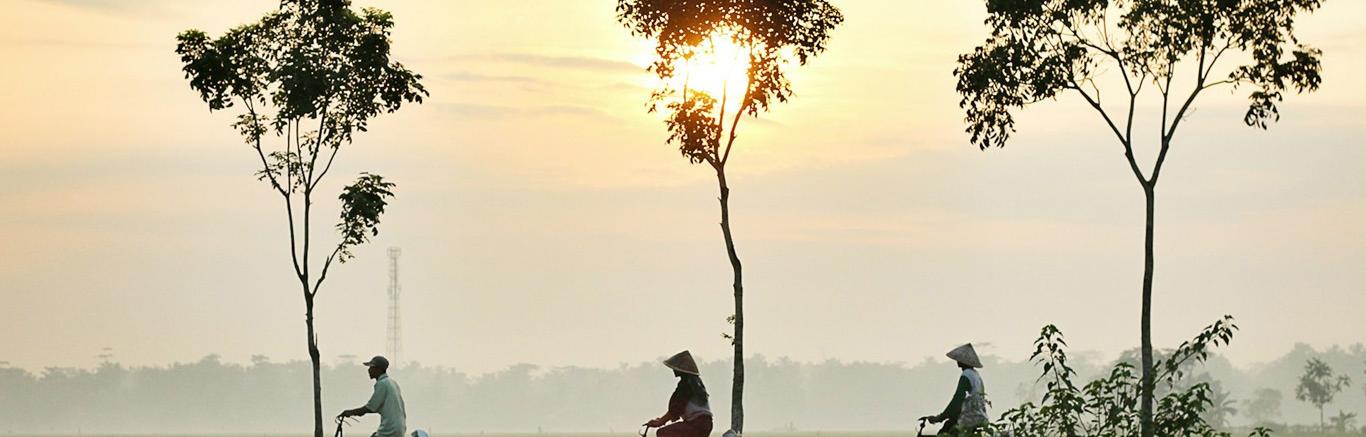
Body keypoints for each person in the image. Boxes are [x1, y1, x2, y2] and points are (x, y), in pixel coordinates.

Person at [921, 344, 989, 436]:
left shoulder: (966, 375)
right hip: (980, 417)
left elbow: (958, 399)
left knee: (944, 433)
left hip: (968, 418)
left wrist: (941, 417)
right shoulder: (976, 376)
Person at [644, 351, 713, 437]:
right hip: (706, 424)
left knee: (662, 433)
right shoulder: (696, 383)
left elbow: (676, 408)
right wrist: (661, 420)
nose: (674, 370)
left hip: (695, 424)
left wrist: (660, 422)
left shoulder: (686, 385)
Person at [338, 355, 407, 437]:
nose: (369, 370)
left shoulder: (382, 384)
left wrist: (349, 412)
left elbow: (370, 407)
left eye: (371, 367)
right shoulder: (392, 383)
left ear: (379, 369)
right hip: (399, 428)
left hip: (389, 429)